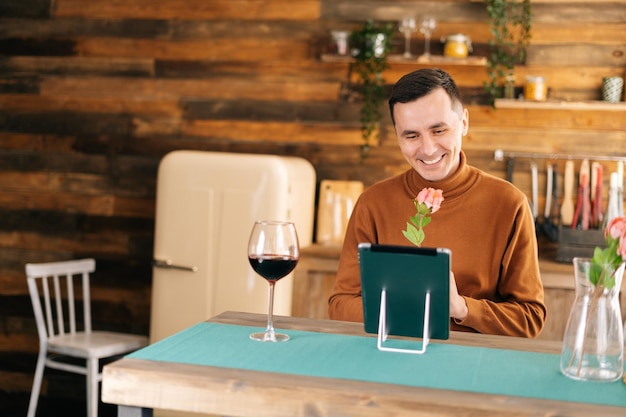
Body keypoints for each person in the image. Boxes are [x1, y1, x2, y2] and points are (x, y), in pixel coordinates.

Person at [328, 68, 546, 337]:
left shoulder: (509, 204)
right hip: (390, 358)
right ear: (397, 136)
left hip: (473, 367)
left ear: (464, 122)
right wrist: (405, 311)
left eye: (439, 130)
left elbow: (530, 319)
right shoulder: (372, 204)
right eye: (411, 135)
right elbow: (340, 305)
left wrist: (462, 308)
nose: (428, 149)